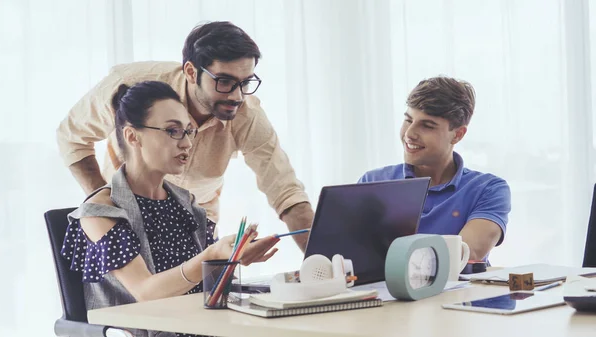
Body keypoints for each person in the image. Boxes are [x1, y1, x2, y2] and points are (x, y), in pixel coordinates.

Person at [56, 21, 313, 251]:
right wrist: (103, 201)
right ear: (191, 72)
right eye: (224, 82)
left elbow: (285, 190)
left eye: (245, 83)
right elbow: (72, 137)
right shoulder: (131, 87)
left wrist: (321, 261)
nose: (236, 96)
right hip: (126, 221)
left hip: (196, 231)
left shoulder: (246, 114)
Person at [61, 81, 280, 337]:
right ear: (133, 136)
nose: (187, 143)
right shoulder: (101, 211)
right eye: (173, 131)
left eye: (189, 131)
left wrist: (232, 258)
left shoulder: (186, 203)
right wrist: (212, 256)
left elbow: (206, 286)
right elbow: (145, 291)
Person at [358, 76, 511, 261]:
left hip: (458, 291)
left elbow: (466, 254)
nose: (409, 133)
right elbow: (349, 254)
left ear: (457, 135)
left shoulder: (488, 189)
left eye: (427, 126)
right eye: (408, 120)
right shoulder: (373, 183)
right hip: (383, 290)